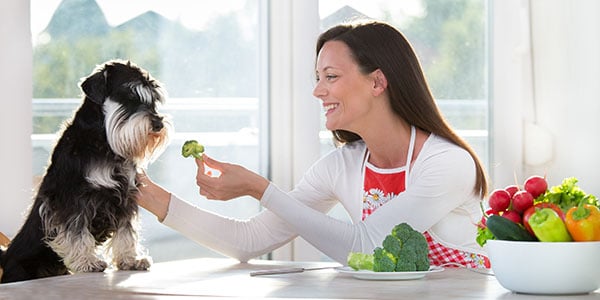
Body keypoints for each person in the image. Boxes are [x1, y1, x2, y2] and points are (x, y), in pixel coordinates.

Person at [137, 20, 490, 268]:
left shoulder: (448, 163)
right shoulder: (342, 166)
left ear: (377, 82)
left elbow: (367, 245)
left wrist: (262, 190)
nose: (318, 91)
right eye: (318, 78)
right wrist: (145, 191)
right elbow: (246, 241)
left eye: (331, 77)